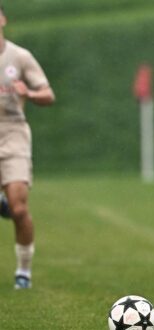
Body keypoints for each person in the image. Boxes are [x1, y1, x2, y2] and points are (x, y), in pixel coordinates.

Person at [0, 5, 55, 290]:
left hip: (13, 132)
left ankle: (23, 271)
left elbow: (48, 94)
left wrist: (29, 92)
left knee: (19, 209)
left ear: (3, 19)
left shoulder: (19, 57)